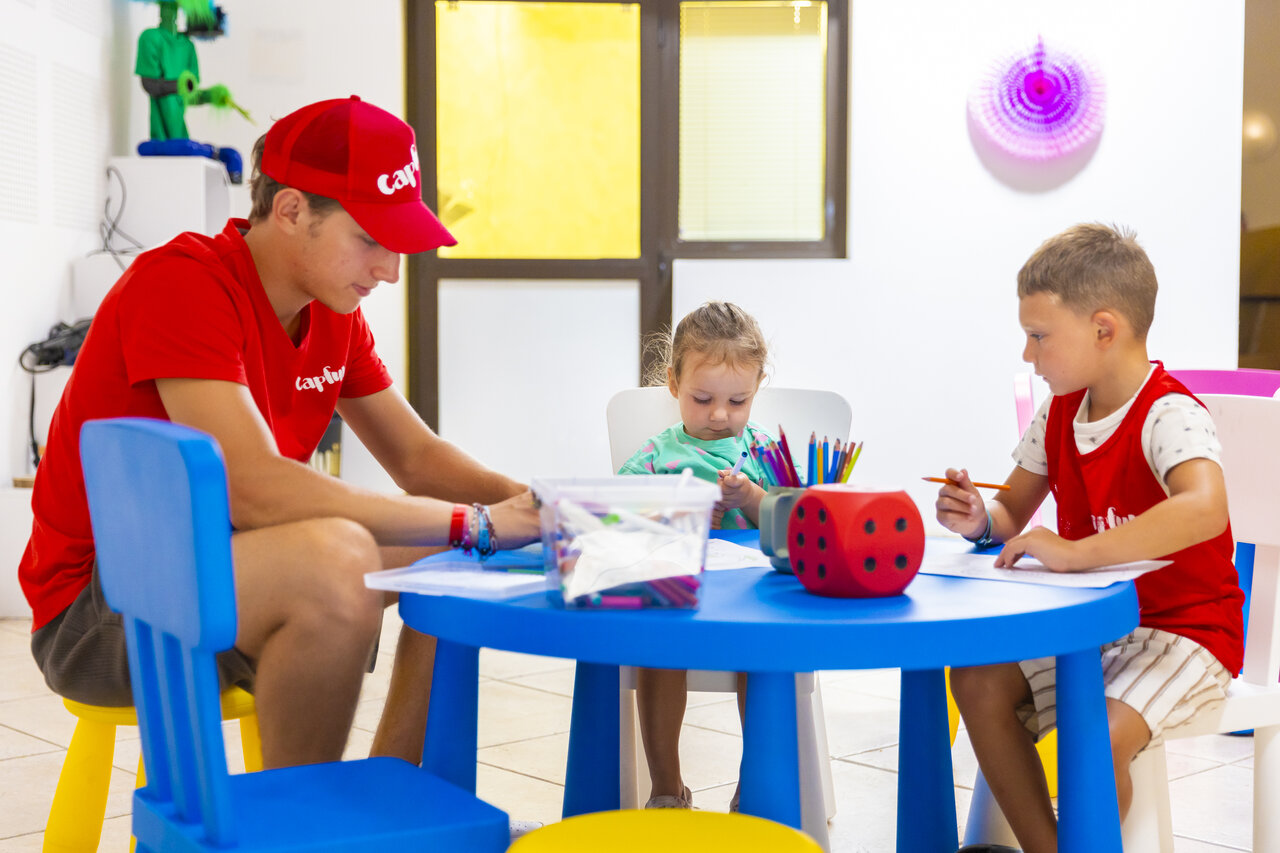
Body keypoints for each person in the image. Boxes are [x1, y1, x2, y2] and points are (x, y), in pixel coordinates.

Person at [20, 95, 541, 774]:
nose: (390, 270)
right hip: (100, 606)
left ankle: (390, 801)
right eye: (372, 240)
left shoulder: (333, 312)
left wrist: (542, 507)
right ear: (292, 210)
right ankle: (300, 825)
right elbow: (252, 489)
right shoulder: (182, 282)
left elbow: (417, 456)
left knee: (444, 562)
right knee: (341, 562)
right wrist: (472, 521)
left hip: (218, 566)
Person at [935, 223, 1245, 853]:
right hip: (1096, 631)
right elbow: (1010, 513)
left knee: (1093, 743)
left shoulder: (1169, 412)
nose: (1028, 354)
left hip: (1185, 634)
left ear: (1104, 329)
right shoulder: (1059, 410)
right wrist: (978, 520)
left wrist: (1075, 554)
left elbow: (1206, 508)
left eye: (1039, 336)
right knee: (975, 678)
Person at [618, 300, 773, 810]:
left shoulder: (766, 453)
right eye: (702, 398)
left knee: (765, 658)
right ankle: (666, 788)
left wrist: (751, 499)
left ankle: (756, 783)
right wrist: (676, 515)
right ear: (672, 384)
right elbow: (618, 516)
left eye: (738, 401)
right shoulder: (656, 455)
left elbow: (799, 523)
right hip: (677, 599)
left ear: (757, 389)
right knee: (659, 653)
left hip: (752, 602)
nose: (720, 415)